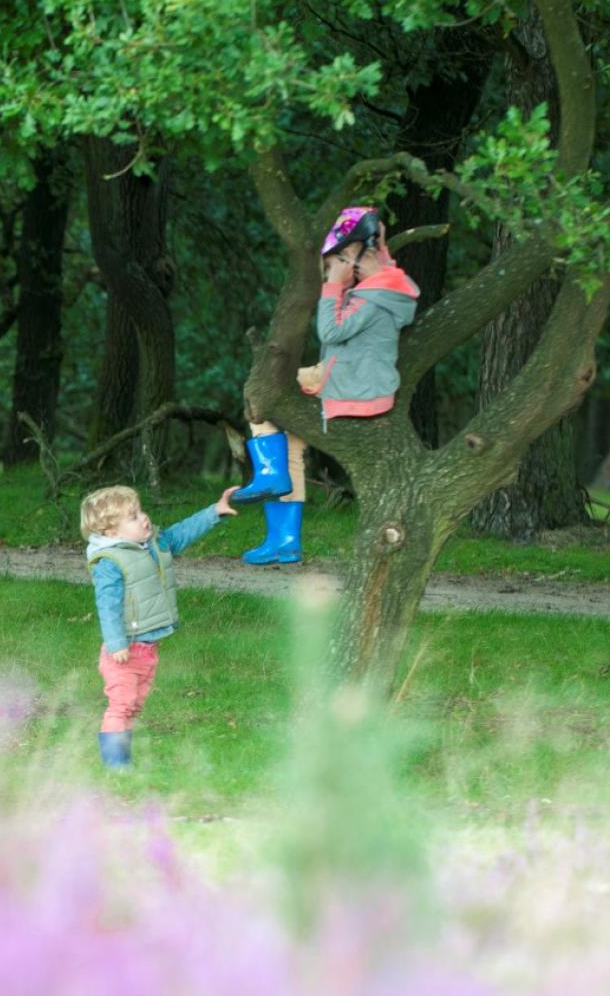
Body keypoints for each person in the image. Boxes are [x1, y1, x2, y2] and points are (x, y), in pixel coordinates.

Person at [232, 206, 420, 564]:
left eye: (346, 258)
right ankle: (282, 539)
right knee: (264, 394)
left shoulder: (376, 295)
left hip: (354, 391)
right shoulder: (380, 286)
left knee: (264, 400)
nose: (340, 265)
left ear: (364, 258)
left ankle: (274, 492)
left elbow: (330, 331)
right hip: (345, 378)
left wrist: (334, 282)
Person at [82, 483, 239, 768]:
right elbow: (108, 605)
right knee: (121, 705)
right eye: (132, 517)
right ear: (110, 532)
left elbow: (181, 533)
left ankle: (121, 760)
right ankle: (116, 767)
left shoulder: (151, 542)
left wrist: (214, 511)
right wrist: (116, 643)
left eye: (140, 510)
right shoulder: (110, 562)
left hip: (146, 649)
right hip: (124, 650)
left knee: (134, 706)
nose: (143, 517)